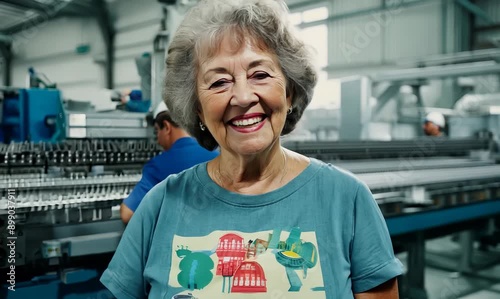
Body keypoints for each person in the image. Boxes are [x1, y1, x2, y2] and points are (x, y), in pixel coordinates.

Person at [101, 0, 403, 298]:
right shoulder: (160, 206)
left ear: (290, 92)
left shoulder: (346, 200)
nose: (243, 97)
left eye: (260, 74)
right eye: (219, 82)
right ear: (196, 109)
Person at [120, 101, 219, 223]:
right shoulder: (218, 157)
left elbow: (127, 213)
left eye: (157, 131)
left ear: (167, 127)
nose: (158, 141)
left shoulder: (158, 165)